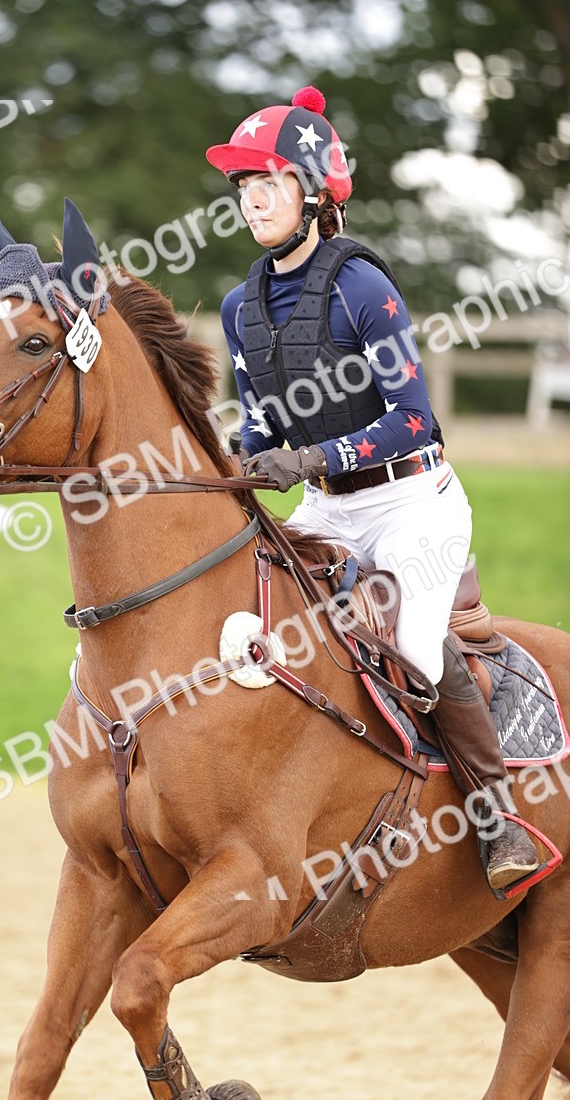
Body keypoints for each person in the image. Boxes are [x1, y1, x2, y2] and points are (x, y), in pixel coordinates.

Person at [205, 85, 538, 891]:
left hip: (410, 502)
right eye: (243, 183)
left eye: (270, 179)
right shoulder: (237, 308)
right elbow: (260, 433)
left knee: (414, 650)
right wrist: (229, 461)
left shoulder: (362, 290)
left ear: (317, 190)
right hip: (329, 510)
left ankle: (498, 822)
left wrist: (310, 459)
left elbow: (417, 422)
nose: (252, 197)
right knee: (264, 642)